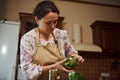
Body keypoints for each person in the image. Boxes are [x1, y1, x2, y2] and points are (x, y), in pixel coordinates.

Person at [20, 0, 84, 80]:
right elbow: (27, 70)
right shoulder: (28, 38)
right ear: (37, 20)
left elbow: (70, 53)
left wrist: (76, 57)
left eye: (55, 22)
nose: (53, 26)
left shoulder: (61, 35)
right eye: (48, 23)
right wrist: (53, 67)